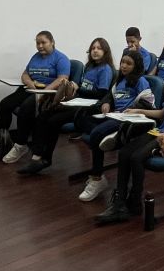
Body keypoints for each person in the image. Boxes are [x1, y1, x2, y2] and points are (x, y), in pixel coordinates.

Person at [97, 56, 164, 225]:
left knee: (136, 157)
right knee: (124, 153)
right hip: (160, 131)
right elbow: (163, 113)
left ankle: (135, 202)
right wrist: (139, 111)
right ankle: (119, 203)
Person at [19, 37, 115, 174]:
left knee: (53, 121)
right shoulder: (90, 67)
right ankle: (37, 156)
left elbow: (101, 94)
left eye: (99, 48)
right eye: (93, 48)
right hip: (78, 101)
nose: (95, 51)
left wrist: (79, 89)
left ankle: (45, 159)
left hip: (88, 107)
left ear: (105, 51)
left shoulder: (105, 69)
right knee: (44, 114)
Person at [76, 49, 155, 202]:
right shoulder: (120, 80)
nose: (124, 66)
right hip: (113, 116)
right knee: (81, 118)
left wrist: (133, 109)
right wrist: (106, 103)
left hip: (126, 119)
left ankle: (97, 178)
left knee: (96, 134)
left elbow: (149, 104)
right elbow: (109, 96)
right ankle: (112, 135)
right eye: (123, 62)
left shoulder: (141, 81)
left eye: (128, 63)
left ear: (136, 66)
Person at [0, 31, 70, 166]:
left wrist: (45, 91)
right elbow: (25, 75)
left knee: (25, 107)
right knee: (5, 104)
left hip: (48, 92)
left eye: (43, 42)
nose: (40, 46)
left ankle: (21, 145)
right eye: (37, 43)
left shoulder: (61, 58)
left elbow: (62, 79)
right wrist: (30, 83)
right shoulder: (35, 57)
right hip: (31, 89)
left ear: (52, 42)